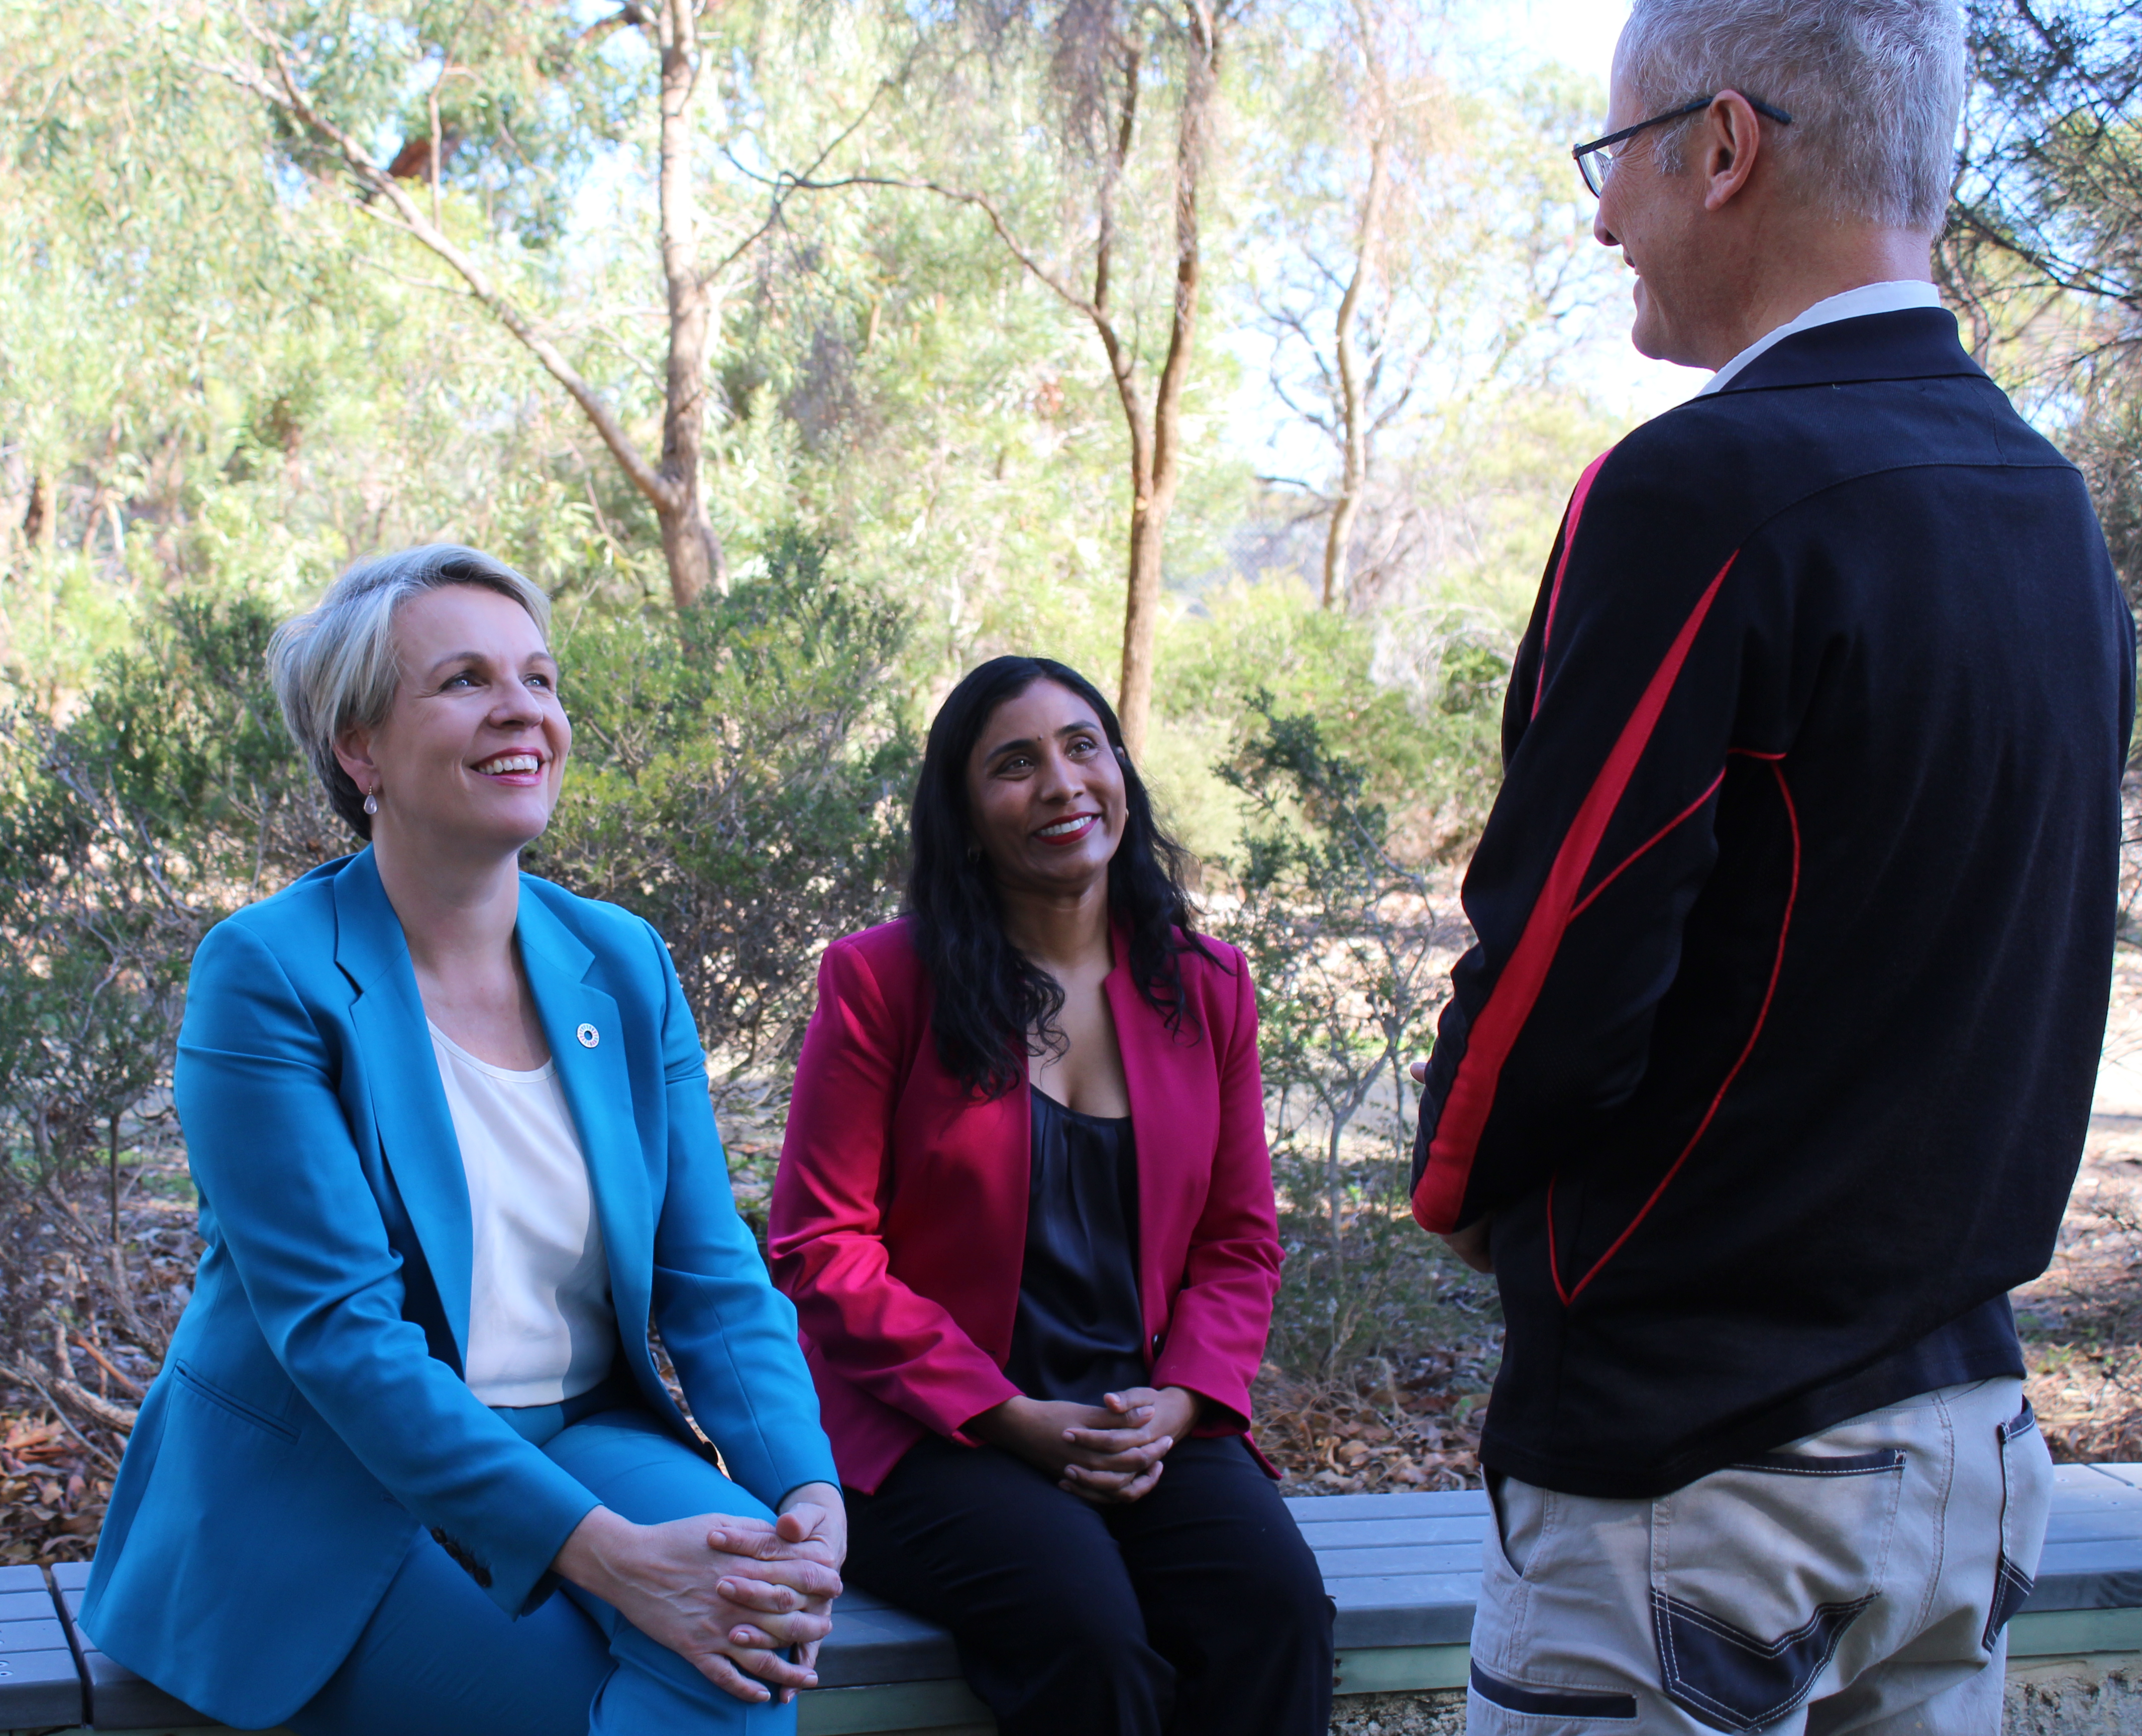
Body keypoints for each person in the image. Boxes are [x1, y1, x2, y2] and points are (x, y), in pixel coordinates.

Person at [1411, 2, 2134, 1730]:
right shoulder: (2050, 513)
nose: (1599, 221)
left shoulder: (1702, 489)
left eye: (1613, 159)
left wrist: (1460, 1196)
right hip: (1965, 1444)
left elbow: (1557, 962)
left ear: (1720, 149)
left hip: (1697, 1473)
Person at [78, 545, 848, 1736]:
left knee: (743, 1656)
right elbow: (342, 1339)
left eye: (540, 679)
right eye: (465, 681)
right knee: (582, 1706)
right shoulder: (268, 974)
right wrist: (616, 1560)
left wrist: (806, 1494)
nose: (523, 711)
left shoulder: (623, 963)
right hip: (329, 1478)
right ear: (360, 747)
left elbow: (711, 1273)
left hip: (584, 1429)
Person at [768, 656, 1335, 1736]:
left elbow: (1238, 1241)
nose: (1064, 784)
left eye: (1084, 747)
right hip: (931, 1428)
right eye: (1015, 765)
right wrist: (1008, 1416)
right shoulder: (883, 982)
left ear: (1122, 770)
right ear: (967, 816)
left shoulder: (1206, 987)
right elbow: (821, 1246)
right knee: (1090, 1638)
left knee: (1276, 1613)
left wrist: (1179, 1402)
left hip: (1143, 1415)